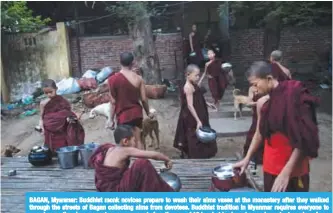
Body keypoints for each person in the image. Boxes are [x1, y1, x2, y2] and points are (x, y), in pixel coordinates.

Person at [233, 61, 320, 192]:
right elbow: (259, 134)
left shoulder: (294, 95)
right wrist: (247, 159)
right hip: (271, 164)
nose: (255, 89)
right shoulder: (262, 103)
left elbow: (303, 137)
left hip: (295, 166)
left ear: (268, 79)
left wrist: (286, 173)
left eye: (255, 84)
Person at [89, 124, 174, 192]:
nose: (135, 143)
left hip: (105, 189)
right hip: (116, 191)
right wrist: (167, 159)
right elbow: (153, 155)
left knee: (134, 169)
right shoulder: (125, 150)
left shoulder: (109, 148)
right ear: (125, 141)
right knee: (142, 163)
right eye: (134, 140)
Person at [108, 52, 153, 150]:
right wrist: (148, 112)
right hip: (136, 114)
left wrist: (110, 119)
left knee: (124, 141)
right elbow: (144, 99)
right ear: (132, 63)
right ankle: (141, 162)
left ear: (120, 62)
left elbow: (113, 102)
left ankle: (127, 162)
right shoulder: (138, 78)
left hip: (123, 115)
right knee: (138, 139)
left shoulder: (112, 80)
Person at [174, 64, 218, 159]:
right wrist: (198, 120)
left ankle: (204, 152)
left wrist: (207, 103)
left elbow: (197, 97)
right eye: (196, 75)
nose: (197, 77)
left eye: (198, 75)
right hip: (191, 115)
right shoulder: (188, 87)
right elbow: (190, 105)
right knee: (194, 133)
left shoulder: (193, 84)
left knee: (203, 130)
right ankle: (194, 154)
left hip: (200, 111)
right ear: (188, 74)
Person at [40, 79, 85, 153]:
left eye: (51, 92)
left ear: (56, 89)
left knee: (63, 148)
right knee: (52, 150)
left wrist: (70, 119)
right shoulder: (43, 103)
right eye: (46, 93)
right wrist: (42, 125)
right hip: (50, 131)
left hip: (62, 130)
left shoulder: (62, 101)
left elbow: (67, 113)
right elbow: (42, 117)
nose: (49, 95)